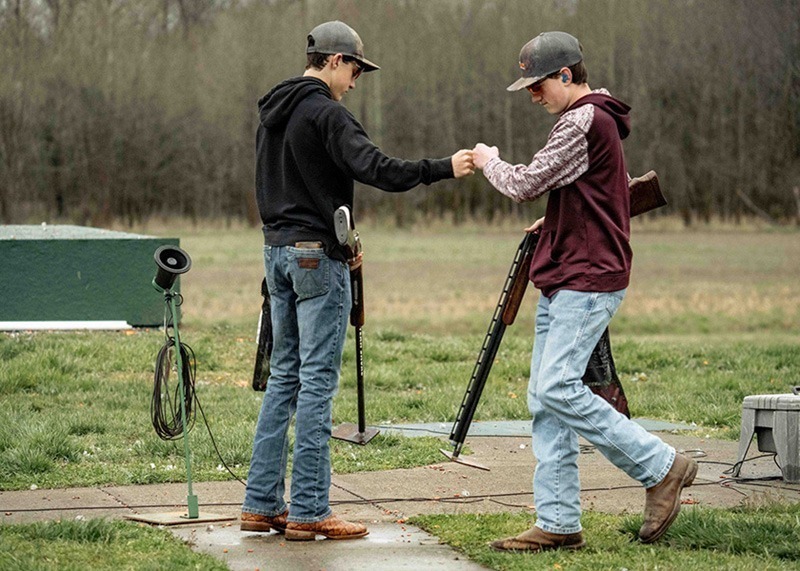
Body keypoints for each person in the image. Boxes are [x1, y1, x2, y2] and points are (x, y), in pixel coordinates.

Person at [241, 20, 474, 541]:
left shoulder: (271, 113)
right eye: (356, 69)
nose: (356, 80)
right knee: (317, 383)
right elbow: (378, 168)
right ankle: (308, 512)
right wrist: (442, 167)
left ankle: (260, 505)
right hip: (316, 260)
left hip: (275, 254)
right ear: (336, 61)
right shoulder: (327, 112)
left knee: (284, 378)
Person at [472, 31, 697, 552]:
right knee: (544, 401)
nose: (533, 96)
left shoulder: (582, 120)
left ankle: (662, 467)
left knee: (555, 388)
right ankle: (558, 522)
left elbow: (523, 182)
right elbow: (589, 194)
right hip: (568, 272)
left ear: (567, 75)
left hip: (586, 277)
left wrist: (488, 159)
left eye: (538, 84)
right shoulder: (597, 121)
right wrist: (554, 222)